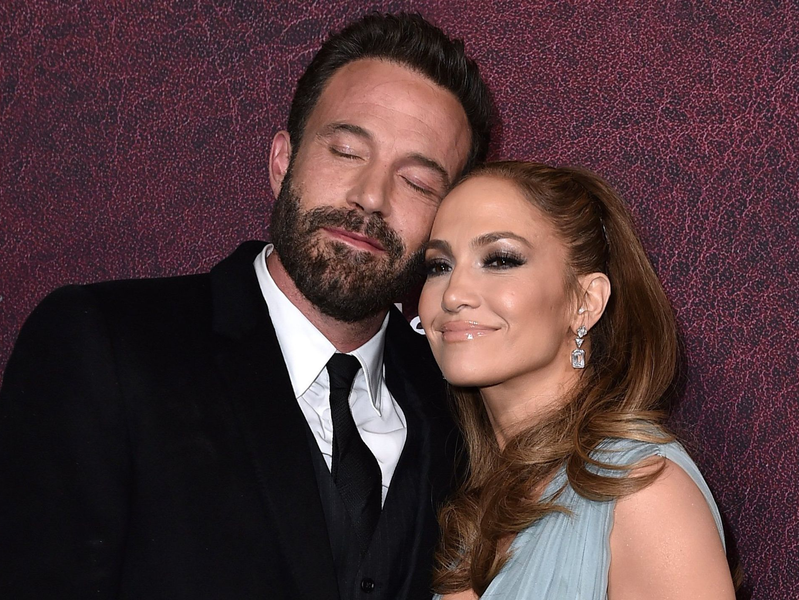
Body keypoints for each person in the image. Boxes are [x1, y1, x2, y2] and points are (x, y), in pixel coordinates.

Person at [0, 13, 492, 600]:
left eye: (417, 183)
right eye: (345, 151)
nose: (370, 197)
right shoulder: (104, 345)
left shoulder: (460, 404)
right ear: (282, 162)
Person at [418, 161, 736, 599]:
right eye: (439, 265)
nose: (453, 294)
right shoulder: (472, 495)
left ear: (585, 301)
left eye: (500, 260)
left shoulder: (645, 491)